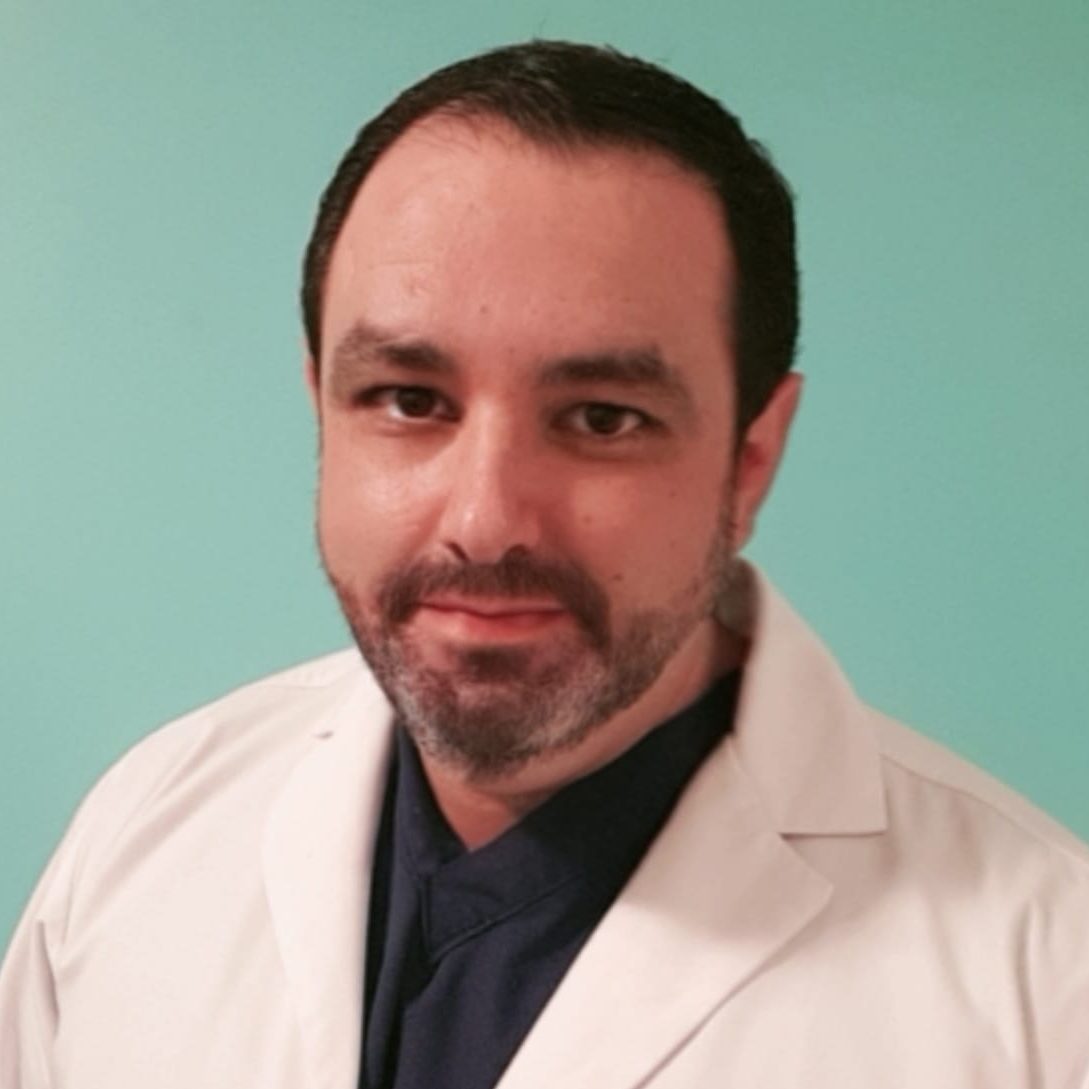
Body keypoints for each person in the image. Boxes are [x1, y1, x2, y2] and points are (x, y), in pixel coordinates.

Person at [2, 39, 1086, 1089]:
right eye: (408, 400)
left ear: (750, 458)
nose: (484, 520)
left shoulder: (1045, 981)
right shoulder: (147, 833)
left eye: (603, 417)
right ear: (322, 409)